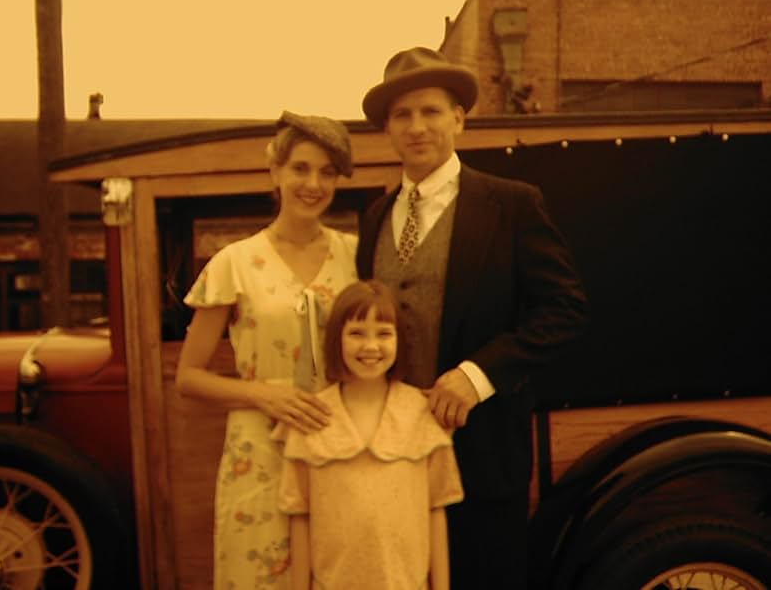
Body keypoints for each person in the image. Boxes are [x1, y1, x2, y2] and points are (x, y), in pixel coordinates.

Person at [356, 47, 590, 589]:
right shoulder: (374, 217)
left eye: (431, 111)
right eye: (402, 116)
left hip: (482, 458)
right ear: (388, 129)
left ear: (459, 117)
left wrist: (477, 375)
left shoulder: (510, 205)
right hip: (391, 454)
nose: (417, 127)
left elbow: (564, 308)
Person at [176, 110, 359, 590]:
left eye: (326, 172)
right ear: (274, 171)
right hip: (260, 448)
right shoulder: (234, 263)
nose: (313, 183)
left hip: (339, 439)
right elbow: (188, 377)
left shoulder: (356, 256)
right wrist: (264, 395)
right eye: (300, 168)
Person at [272, 279, 464, 590]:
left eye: (384, 333)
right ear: (337, 339)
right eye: (357, 333)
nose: (371, 346)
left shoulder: (422, 415)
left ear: (400, 340)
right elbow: (299, 516)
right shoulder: (310, 418)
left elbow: (436, 511)